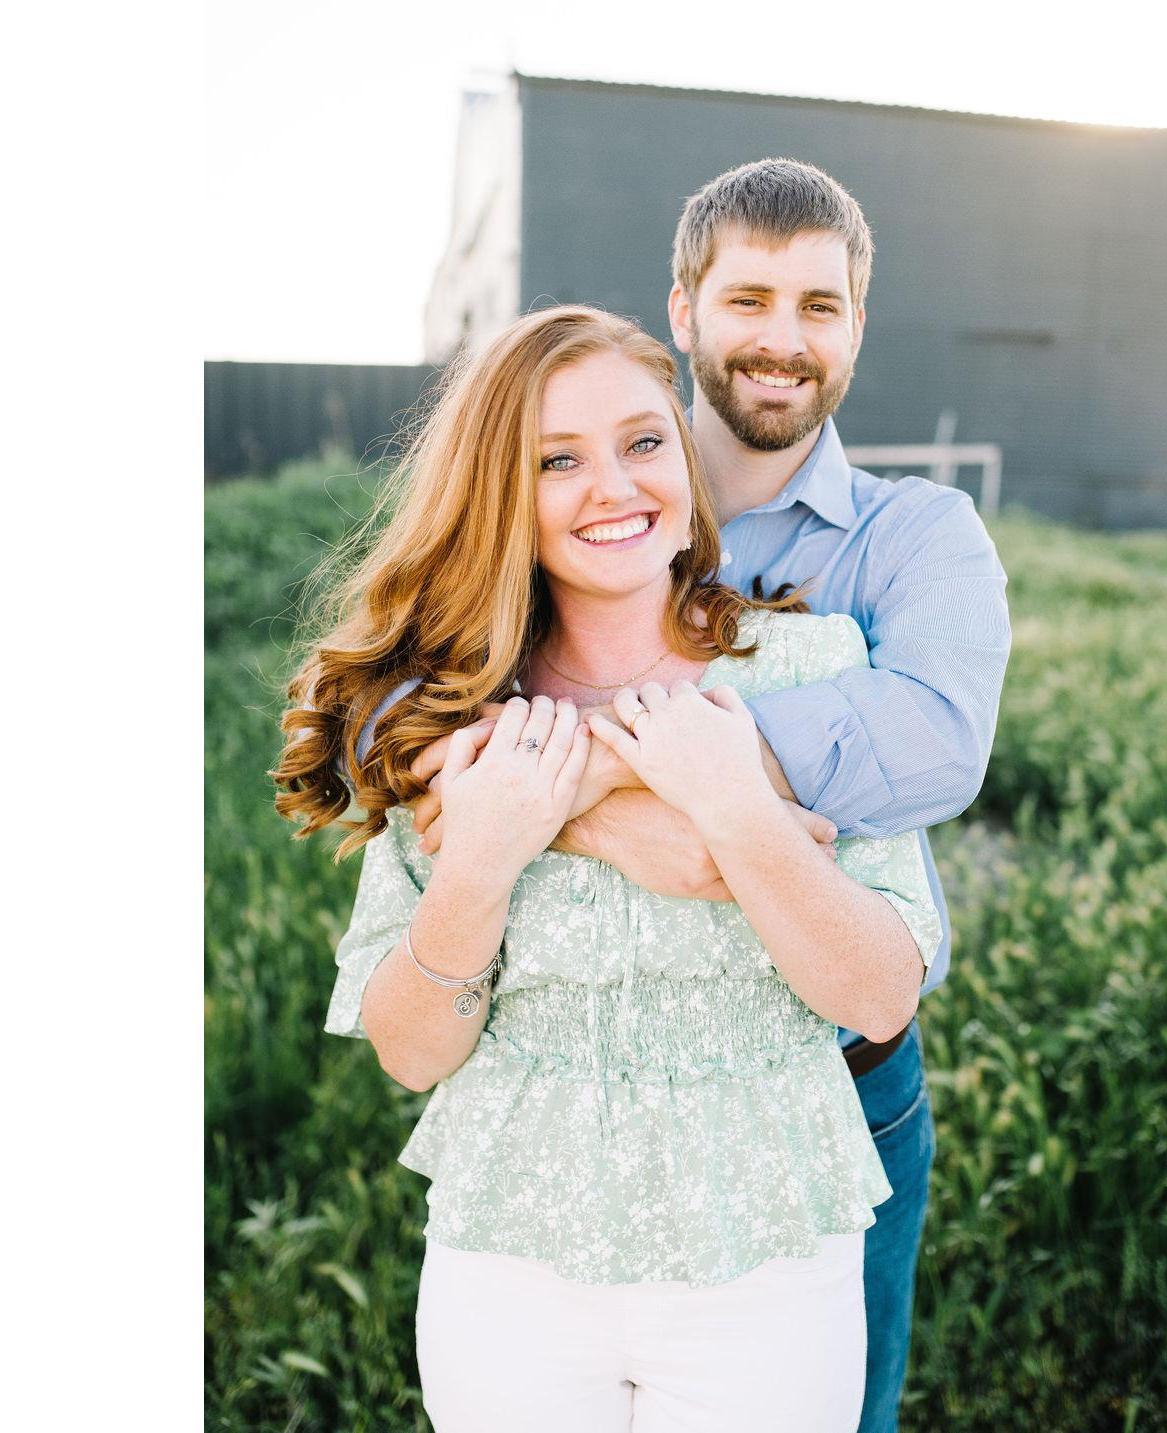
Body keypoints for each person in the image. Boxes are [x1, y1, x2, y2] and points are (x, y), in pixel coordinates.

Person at [403, 158, 1012, 1433]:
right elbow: (406, 736)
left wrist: (578, 769)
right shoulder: (551, 524)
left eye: (818, 306)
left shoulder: (910, 536)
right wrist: (620, 810)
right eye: (747, 299)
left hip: (836, 1071)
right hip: (559, 1090)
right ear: (682, 311)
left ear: (855, 326)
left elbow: (931, 742)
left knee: (848, 1402)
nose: (781, 340)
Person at [272, 304, 944, 1432]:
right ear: (502, 493)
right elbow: (409, 1049)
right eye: (557, 460)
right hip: (513, 1263)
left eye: (642, 441)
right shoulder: (450, 721)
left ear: (683, 458)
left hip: (764, 1254)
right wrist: (481, 859)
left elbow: (878, 991)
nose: (614, 486)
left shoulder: (813, 670)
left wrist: (735, 808)